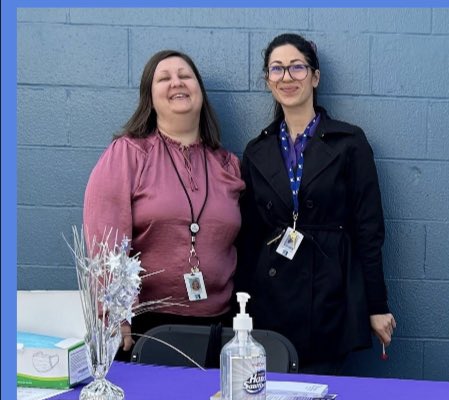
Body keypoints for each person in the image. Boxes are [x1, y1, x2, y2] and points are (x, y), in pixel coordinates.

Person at [238, 33, 395, 375]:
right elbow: (247, 236)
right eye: (276, 69)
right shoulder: (256, 150)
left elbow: (369, 230)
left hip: (330, 291)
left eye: (297, 67)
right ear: (267, 80)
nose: (287, 77)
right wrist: (242, 309)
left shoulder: (349, 142)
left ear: (315, 76)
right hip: (272, 295)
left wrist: (377, 305)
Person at [84, 50, 244, 357]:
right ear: (150, 97)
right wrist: (115, 314)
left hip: (221, 328)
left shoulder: (227, 165)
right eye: (164, 78)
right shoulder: (127, 155)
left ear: (200, 91)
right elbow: (104, 244)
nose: (177, 83)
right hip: (148, 329)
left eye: (185, 76)